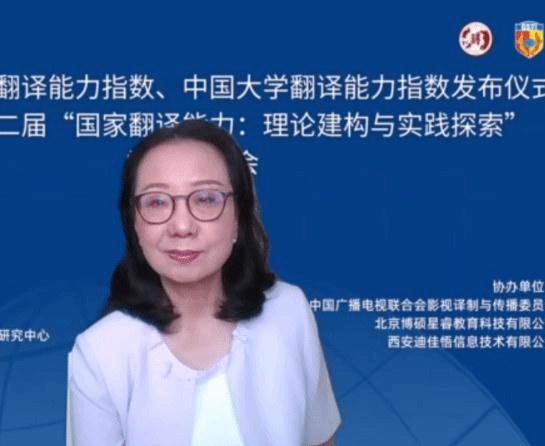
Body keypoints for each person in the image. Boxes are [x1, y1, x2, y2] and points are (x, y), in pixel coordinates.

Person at [66, 119, 341, 446]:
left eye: (206, 199)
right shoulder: (99, 352)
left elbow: (320, 441)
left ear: (238, 217)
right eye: (157, 202)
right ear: (134, 224)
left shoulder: (289, 310)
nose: (182, 226)